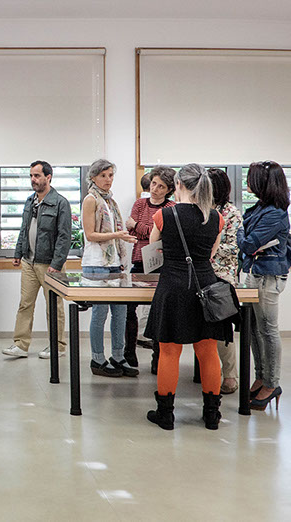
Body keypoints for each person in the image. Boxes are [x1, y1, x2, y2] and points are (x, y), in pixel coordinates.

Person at [145, 163, 232, 430]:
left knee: (169, 351)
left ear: (179, 185)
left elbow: (153, 247)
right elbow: (210, 254)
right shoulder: (216, 218)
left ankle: (166, 414)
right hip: (206, 286)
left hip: (172, 286)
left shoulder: (163, 215)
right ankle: (212, 414)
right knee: (207, 351)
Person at [2, 160, 72, 359]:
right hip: (29, 262)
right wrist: (18, 253)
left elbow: (64, 237)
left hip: (50, 264)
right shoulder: (30, 201)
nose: (33, 179)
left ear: (48, 177)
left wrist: (57, 264)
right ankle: (21, 345)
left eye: (37, 175)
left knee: (54, 306)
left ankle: (57, 346)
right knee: (25, 304)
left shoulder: (60, 203)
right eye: (31, 176)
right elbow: (24, 229)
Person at [238, 161, 290, 411]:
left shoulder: (275, 213)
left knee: (268, 330)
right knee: (254, 329)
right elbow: (250, 243)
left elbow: (248, 243)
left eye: (252, 178)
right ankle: (261, 377)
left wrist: (239, 232)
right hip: (256, 272)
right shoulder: (262, 208)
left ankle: (272, 383)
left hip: (267, 276)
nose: (248, 182)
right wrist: (245, 238)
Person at [81, 159, 138, 377]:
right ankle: (97, 359)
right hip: (96, 264)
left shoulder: (110, 201)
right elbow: (90, 234)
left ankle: (118, 356)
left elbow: (115, 233)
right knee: (100, 313)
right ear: (93, 177)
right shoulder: (91, 199)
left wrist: (122, 239)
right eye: (103, 175)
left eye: (111, 175)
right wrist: (118, 235)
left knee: (120, 312)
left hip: (114, 263)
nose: (108, 180)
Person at [124, 166, 176, 369]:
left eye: (161, 186)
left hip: (161, 264)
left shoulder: (171, 207)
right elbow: (130, 231)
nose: (155, 189)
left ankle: (158, 357)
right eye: (154, 184)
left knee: (159, 311)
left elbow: (163, 234)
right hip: (139, 261)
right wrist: (148, 231)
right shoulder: (139, 204)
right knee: (129, 309)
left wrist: (138, 226)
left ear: (169, 190)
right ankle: (129, 353)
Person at [209, 168, 242, 395]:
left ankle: (230, 375)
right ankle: (208, 373)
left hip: (222, 275)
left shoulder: (231, 213)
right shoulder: (201, 209)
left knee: (222, 327)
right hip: (200, 273)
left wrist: (207, 248)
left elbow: (233, 247)